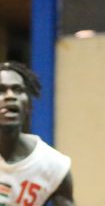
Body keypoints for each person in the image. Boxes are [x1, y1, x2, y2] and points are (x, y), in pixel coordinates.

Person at [0, 62, 74, 205]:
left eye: (18, 90)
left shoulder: (54, 166)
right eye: (1, 90)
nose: (10, 96)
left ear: (28, 105)